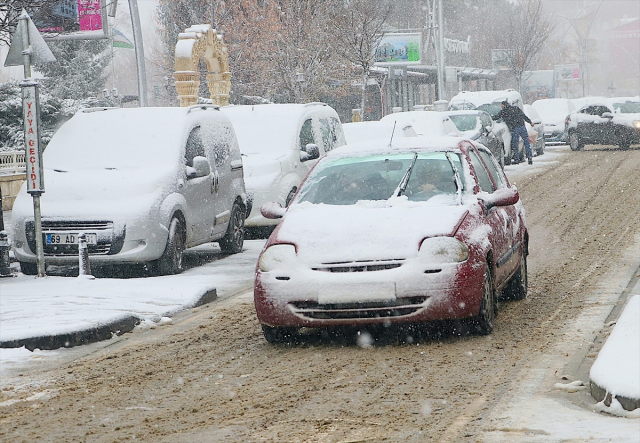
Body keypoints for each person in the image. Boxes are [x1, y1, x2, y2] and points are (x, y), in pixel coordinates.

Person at [493, 100, 534, 164]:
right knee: (526, 143)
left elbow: (496, 117)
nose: (501, 107)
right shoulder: (516, 108)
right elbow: (523, 116)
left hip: (514, 129)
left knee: (515, 145)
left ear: (503, 105)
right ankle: (529, 158)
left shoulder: (503, 112)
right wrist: (530, 122)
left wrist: (489, 118)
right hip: (522, 127)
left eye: (501, 106)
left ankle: (516, 160)